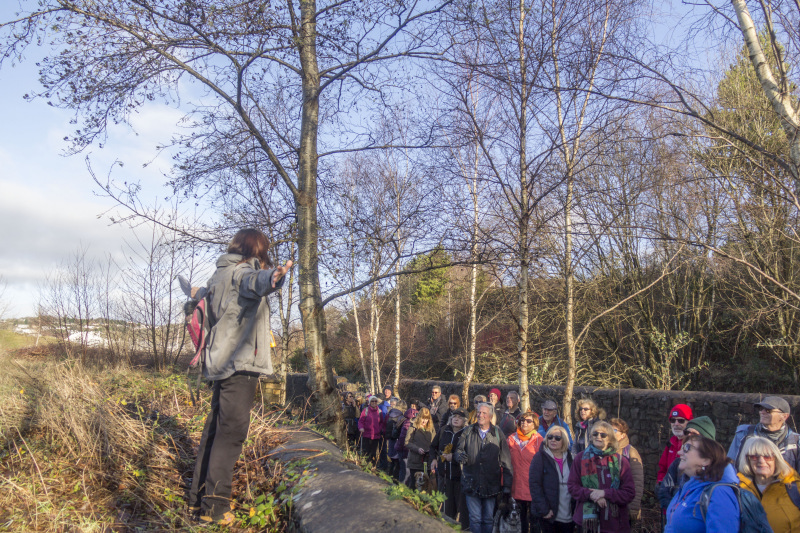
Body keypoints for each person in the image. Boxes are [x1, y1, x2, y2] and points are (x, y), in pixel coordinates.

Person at [188, 228, 292, 525]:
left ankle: (198, 500)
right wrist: (275, 276)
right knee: (231, 434)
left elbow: (203, 297)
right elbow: (256, 282)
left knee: (214, 430)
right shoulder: (243, 272)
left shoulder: (219, 274)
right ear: (256, 249)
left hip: (219, 362)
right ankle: (216, 507)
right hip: (240, 362)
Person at [455, 402, 514, 533]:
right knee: (475, 518)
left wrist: (507, 487)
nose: (480, 415)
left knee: (488, 518)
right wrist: (460, 456)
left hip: (491, 484)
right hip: (471, 482)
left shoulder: (498, 434)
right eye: (479, 412)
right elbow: (458, 450)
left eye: (484, 413)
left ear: (490, 416)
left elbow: (506, 461)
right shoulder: (468, 431)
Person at [567, 420, 635, 533]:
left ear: (610, 439)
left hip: (614, 523)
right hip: (586, 523)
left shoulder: (621, 461)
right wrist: (592, 495)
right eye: (595, 434)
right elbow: (572, 487)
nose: (598, 437)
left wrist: (605, 493)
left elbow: (629, 493)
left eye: (603, 435)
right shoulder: (580, 458)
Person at [664, 435, 741, 533]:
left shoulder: (720, 493)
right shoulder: (688, 487)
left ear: (706, 460)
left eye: (687, 448)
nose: (679, 452)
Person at [738, 436, 800, 532]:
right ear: (747, 460)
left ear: (776, 459)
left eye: (767, 456)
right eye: (754, 456)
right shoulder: (737, 489)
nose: (761, 461)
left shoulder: (795, 487)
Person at [657, 416, 717, 511]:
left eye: (694, 434)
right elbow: (664, 488)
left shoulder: (718, 478)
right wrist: (674, 510)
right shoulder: (677, 463)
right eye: (687, 432)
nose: (689, 435)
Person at [728, 395, 800, 472]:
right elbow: (730, 467)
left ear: (784, 416)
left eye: (768, 410)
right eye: (761, 409)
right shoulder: (744, 434)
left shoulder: (796, 441)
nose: (762, 412)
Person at [530, 426, 575, 533]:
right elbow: (534, 485)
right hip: (549, 514)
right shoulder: (539, 457)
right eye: (550, 437)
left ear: (564, 440)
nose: (553, 440)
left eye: (557, 438)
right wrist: (544, 510)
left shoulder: (571, 458)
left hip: (568, 513)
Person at [431, 407, 470, 530]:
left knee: (462, 511)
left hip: (460, 478)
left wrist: (453, 457)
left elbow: (469, 454)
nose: (456, 419)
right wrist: (433, 459)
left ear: (465, 421)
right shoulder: (444, 430)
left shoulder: (467, 434)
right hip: (445, 476)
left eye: (459, 418)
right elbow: (433, 446)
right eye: (454, 417)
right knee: (447, 510)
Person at [508, 410, 543, 533]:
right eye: (522, 420)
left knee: (535, 522)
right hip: (516, 486)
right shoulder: (511, 439)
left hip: (533, 488)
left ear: (535, 424)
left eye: (529, 421)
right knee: (519, 521)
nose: (524, 423)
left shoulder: (540, 441)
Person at [610, 418, 643, 524]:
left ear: (623, 435)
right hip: (608, 506)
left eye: (614, 430)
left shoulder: (631, 452)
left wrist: (633, 508)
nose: (611, 432)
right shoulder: (604, 451)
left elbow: (637, 482)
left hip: (625, 505)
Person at [657, 403, 693, 483]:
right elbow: (662, 469)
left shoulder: (695, 444)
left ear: (689, 422)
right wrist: (661, 484)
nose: (676, 424)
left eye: (681, 420)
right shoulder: (671, 443)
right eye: (673, 420)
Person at [404, 407, 436, 488]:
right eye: (423, 418)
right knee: (413, 484)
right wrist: (417, 449)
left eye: (426, 418)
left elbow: (434, 443)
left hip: (427, 461)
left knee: (426, 485)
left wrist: (431, 451)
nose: (424, 421)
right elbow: (407, 442)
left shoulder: (431, 428)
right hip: (415, 461)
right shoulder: (413, 426)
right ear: (419, 417)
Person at [359, 395, 385, 465]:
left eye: (375, 401)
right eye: (372, 401)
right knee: (366, 451)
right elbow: (361, 421)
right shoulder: (366, 410)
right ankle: (365, 465)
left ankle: (373, 465)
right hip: (367, 434)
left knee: (373, 452)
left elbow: (382, 422)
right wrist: (361, 428)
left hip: (376, 435)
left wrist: (379, 429)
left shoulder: (379, 411)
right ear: (369, 402)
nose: (374, 402)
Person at [395, 405, 419, 484]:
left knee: (403, 469)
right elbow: (404, 439)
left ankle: (401, 485)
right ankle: (403, 487)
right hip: (405, 450)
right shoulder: (410, 423)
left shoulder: (405, 420)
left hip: (401, 449)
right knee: (406, 471)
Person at [386, 399, 407, 479]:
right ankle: (395, 480)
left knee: (391, 462)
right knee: (398, 464)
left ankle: (389, 477)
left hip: (391, 440)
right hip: (397, 441)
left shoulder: (391, 413)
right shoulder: (401, 417)